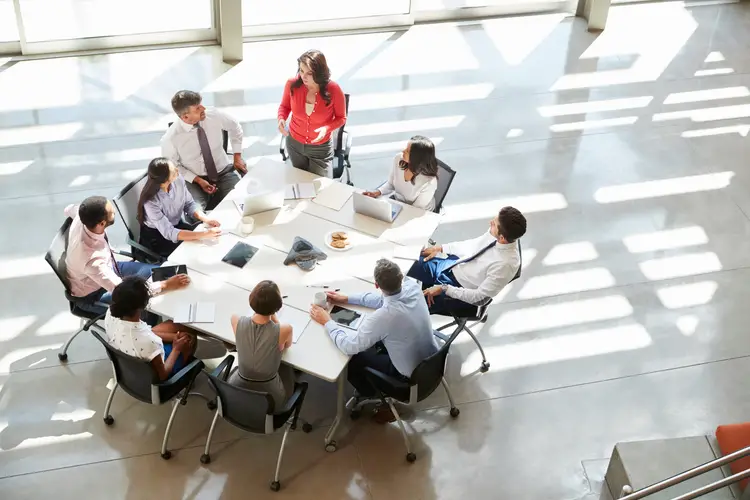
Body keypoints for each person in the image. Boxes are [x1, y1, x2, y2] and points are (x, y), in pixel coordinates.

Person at [309, 259, 438, 423]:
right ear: (401, 278)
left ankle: (374, 394)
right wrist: (347, 298)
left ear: (376, 285)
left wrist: (327, 321)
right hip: (431, 362)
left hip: (408, 379)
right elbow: (383, 300)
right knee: (374, 342)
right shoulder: (413, 287)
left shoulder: (385, 316)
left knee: (353, 359)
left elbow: (349, 346)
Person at [64, 196, 190, 315]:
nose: (115, 212)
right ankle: (151, 327)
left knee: (157, 272)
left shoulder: (83, 217)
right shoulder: (92, 260)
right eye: (112, 212)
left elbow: (68, 209)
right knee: (143, 304)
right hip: (94, 294)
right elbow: (125, 293)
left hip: (110, 266)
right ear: (101, 223)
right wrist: (165, 285)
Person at [408, 206, 527, 317]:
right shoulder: (496, 233)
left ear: (502, 238)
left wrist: (444, 289)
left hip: (458, 292)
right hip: (451, 266)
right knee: (403, 261)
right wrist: (440, 248)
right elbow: (471, 246)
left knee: (408, 310)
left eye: (494, 224)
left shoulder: (506, 265)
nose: (490, 222)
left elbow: (479, 297)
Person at [161, 90, 247, 211]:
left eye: (201, 104)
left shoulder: (214, 115)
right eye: (197, 108)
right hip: (194, 180)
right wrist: (198, 180)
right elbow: (173, 167)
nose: (203, 108)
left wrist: (237, 156)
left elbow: (235, 127)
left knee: (241, 202)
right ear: (185, 117)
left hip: (223, 172)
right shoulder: (170, 138)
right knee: (195, 213)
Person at [104, 276, 196, 381]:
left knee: (178, 326)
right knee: (190, 336)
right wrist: (176, 348)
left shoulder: (110, 312)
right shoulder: (149, 341)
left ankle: (176, 339)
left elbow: (144, 335)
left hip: (129, 357)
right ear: (143, 305)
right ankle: (185, 376)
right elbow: (163, 375)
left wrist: (166, 284)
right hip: (157, 374)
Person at [277, 50, 347, 178]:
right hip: (294, 145)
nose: (304, 76)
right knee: (301, 184)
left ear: (319, 73)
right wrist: (281, 118)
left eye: (309, 73)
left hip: (320, 149)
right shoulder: (292, 84)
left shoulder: (334, 90)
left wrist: (327, 128)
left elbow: (341, 118)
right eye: (301, 71)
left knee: (320, 189)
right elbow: (284, 106)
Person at [228, 280, 296, 409]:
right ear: (277, 306)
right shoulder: (285, 329)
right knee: (288, 368)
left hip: (237, 388)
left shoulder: (236, 319)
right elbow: (287, 346)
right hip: (270, 396)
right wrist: (273, 315)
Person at [137, 157, 222, 258]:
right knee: (199, 249)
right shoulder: (151, 201)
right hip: (159, 238)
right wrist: (204, 234)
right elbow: (169, 233)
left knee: (211, 241)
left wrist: (206, 219)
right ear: (165, 179)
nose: (178, 170)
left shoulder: (178, 179)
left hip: (177, 225)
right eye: (174, 171)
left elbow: (189, 204)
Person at [363, 135, 439, 211]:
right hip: (399, 204)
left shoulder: (429, 182)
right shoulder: (399, 159)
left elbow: (415, 210)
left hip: (418, 213)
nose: (403, 151)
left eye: (408, 151)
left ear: (417, 158)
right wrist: (377, 192)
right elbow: (391, 184)